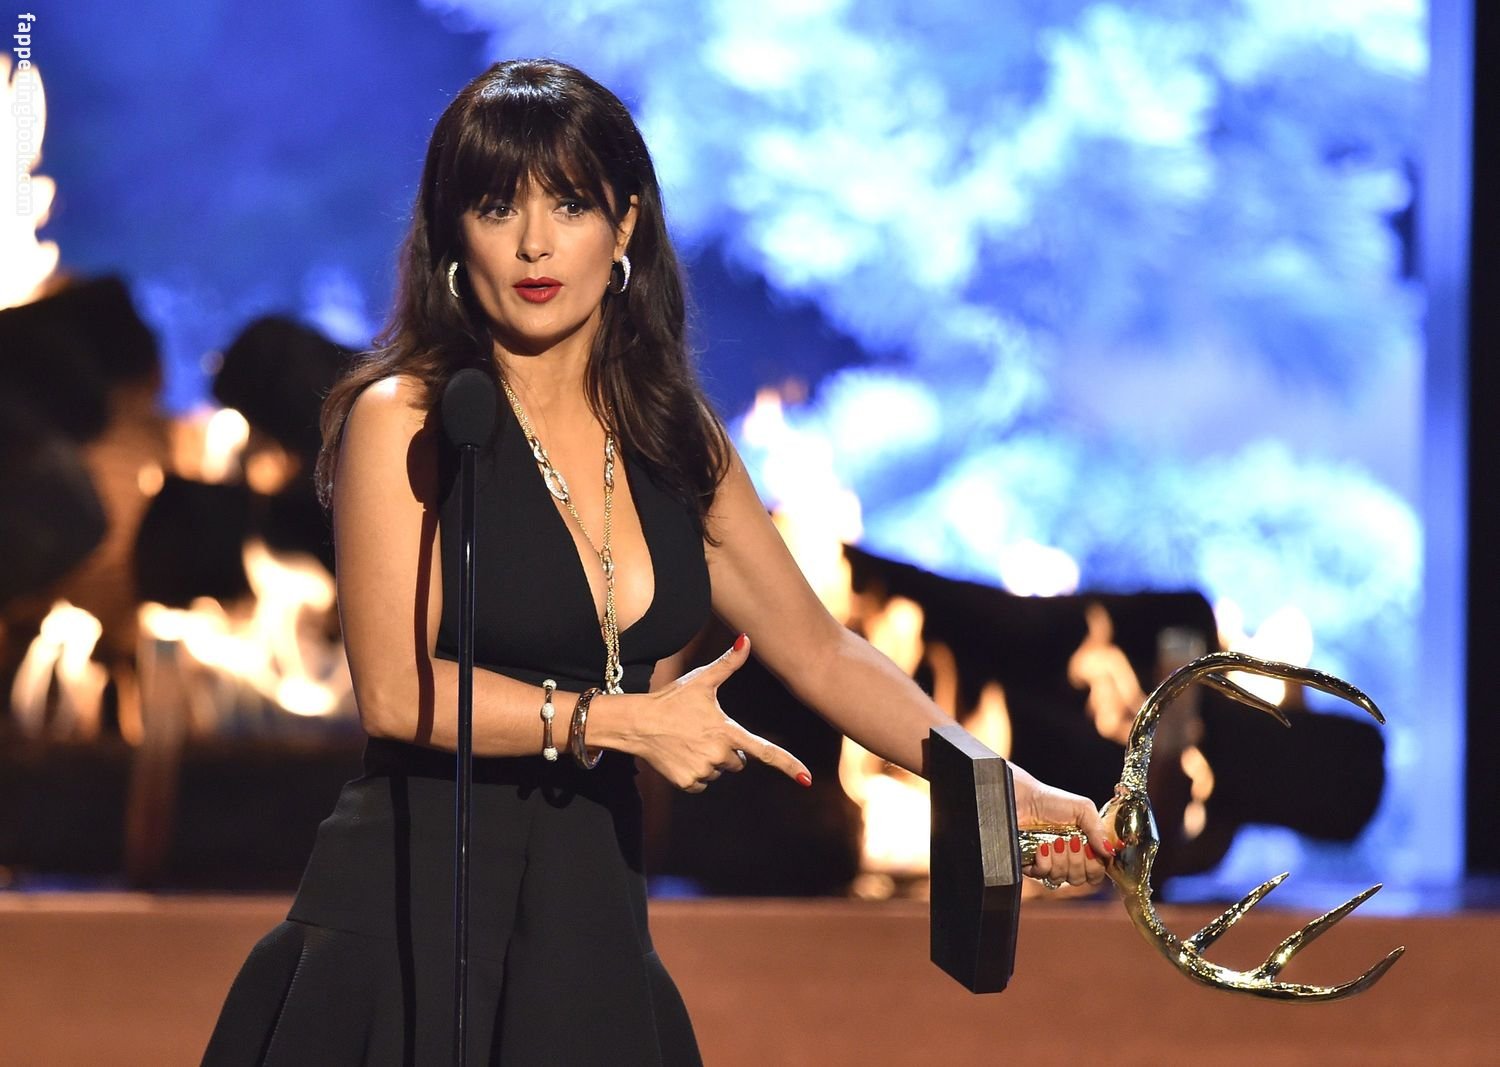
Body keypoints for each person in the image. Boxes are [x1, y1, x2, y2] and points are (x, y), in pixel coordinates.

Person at [201, 58, 1109, 1066]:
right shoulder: (406, 417)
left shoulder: (675, 440)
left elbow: (824, 653)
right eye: (497, 207)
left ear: (625, 222)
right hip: (408, 922)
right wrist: (619, 719)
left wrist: (1000, 785)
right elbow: (397, 690)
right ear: (454, 232)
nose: (535, 243)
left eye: (570, 204)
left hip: (587, 921)